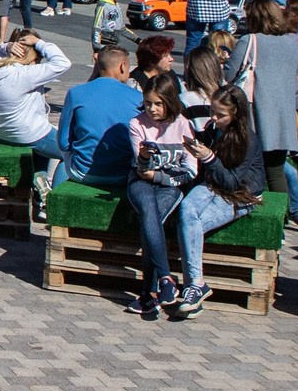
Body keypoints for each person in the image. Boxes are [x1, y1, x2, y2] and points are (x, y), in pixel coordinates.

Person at [171, 85, 266, 318]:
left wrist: (210, 158)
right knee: (187, 210)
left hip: (241, 193)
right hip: (213, 184)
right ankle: (196, 285)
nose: (213, 117)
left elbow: (232, 182)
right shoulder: (213, 128)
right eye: (212, 111)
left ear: (236, 114)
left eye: (220, 114)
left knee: (191, 225)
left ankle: (194, 285)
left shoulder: (247, 140)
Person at [225, 0, 298, 229]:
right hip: (282, 117)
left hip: (255, 115)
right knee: (276, 171)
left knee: (247, 170)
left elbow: (230, 76)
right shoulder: (291, 43)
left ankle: (249, 223)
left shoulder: (250, 40)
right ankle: (280, 222)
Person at [120, 74, 200, 317]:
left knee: (151, 220)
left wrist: (163, 177)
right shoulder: (137, 124)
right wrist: (145, 157)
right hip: (140, 182)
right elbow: (142, 170)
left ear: (170, 101)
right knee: (148, 210)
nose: (152, 109)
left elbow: (191, 170)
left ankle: (147, 293)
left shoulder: (183, 125)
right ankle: (165, 278)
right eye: (147, 103)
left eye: (158, 103)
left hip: (170, 185)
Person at [37, 47, 143, 196]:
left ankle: (51, 204)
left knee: (64, 160)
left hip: (83, 172)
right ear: (122, 65)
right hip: (123, 174)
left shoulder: (76, 93)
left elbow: (63, 143)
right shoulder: (138, 98)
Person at [0, 30, 71, 147]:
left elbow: (0, 55)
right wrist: (39, 42)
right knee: (73, 154)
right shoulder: (25, 74)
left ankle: (39, 165)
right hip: (26, 133)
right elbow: (63, 63)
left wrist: (7, 46)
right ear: (34, 56)